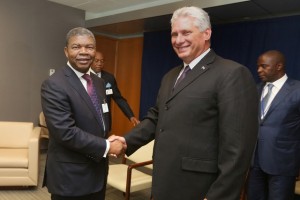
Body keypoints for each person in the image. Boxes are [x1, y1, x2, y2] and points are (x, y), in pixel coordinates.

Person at [114, 6, 259, 200]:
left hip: (199, 188)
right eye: (174, 34)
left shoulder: (232, 74)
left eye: (186, 32)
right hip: (164, 181)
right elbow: (157, 117)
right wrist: (125, 141)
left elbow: (238, 149)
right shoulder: (170, 76)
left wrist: (218, 196)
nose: (178, 40)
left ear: (207, 33)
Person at [41, 27, 124, 200]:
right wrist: (107, 146)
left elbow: (99, 119)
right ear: (66, 51)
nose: (84, 52)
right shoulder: (54, 84)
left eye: (89, 47)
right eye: (76, 47)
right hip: (71, 176)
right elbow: (65, 132)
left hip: (98, 170)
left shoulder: (99, 83)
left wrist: (107, 140)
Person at [247, 50, 300, 200]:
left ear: (278, 66)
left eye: (264, 66)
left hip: (283, 163)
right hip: (255, 162)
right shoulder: (256, 89)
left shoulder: (297, 90)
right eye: (258, 66)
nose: (259, 70)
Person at [90, 51, 140, 130]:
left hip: (104, 122)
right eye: (96, 61)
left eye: (102, 61)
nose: (99, 63)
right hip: (88, 121)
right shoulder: (85, 77)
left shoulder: (109, 78)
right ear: (90, 61)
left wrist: (131, 116)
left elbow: (118, 98)